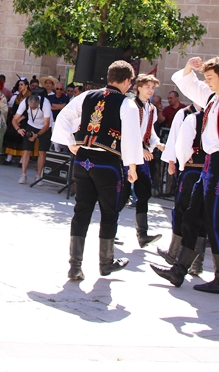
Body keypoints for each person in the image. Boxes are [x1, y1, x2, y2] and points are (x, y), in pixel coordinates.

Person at [150, 56, 219, 295]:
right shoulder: (211, 99)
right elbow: (187, 83)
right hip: (208, 165)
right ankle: (179, 270)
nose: (206, 82)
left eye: (210, 78)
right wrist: (189, 66)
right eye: (205, 78)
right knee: (192, 215)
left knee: (214, 220)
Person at [52, 60, 143, 281]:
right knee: (109, 213)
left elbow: (63, 117)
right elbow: (131, 136)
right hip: (107, 164)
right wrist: (132, 166)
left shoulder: (87, 96)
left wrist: (70, 142)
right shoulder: (127, 104)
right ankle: (106, 263)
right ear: (127, 81)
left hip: (83, 161)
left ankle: (75, 266)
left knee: (81, 211)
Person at [158, 103, 206, 275]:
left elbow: (179, 144)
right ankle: (194, 262)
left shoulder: (192, 115)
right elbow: (174, 137)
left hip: (192, 169)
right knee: (199, 215)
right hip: (207, 172)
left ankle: (175, 254)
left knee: (183, 211)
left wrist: (179, 163)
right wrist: (171, 161)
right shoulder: (185, 113)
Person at [122, 73, 165, 247]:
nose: (150, 90)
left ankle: (142, 234)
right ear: (138, 87)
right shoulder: (130, 105)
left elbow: (149, 132)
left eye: (153, 87)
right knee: (122, 195)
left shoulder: (151, 109)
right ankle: (109, 228)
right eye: (147, 86)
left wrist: (157, 144)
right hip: (127, 155)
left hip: (141, 157)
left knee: (144, 193)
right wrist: (140, 148)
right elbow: (127, 133)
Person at [12, 93, 52, 184]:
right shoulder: (24, 102)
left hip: (45, 127)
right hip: (31, 124)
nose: (32, 109)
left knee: (42, 152)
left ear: (39, 103)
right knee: (26, 150)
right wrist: (18, 129)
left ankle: (38, 176)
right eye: (31, 107)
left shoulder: (46, 104)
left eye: (34, 108)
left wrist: (36, 136)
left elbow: (46, 125)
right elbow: (14, 119)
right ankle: (23, 175)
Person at [2, 79, 32, 165]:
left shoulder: (30, 97)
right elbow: (14, 109)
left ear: (26, 86)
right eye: (19, 85)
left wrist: (20, 119)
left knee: (23, 139)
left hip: (25, 120)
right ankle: (9, 158)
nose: (20, 86)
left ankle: (22, 160)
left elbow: (29, 110)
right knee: (11, 136)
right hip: (16, 119)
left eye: (22, 84)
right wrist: (15, 118)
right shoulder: (18, 97)